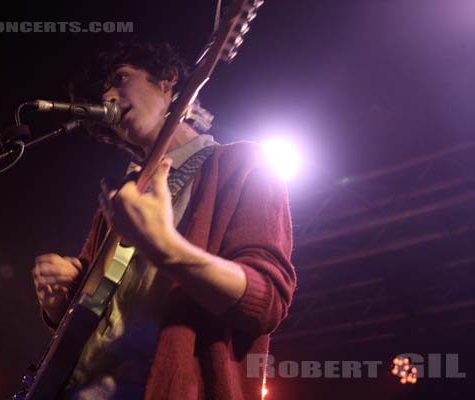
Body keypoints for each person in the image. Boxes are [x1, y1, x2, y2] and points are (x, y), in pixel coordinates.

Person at [31, 40, 297, 399]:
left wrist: (166, 248)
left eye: (120, 78)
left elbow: (267, 303)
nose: (107, 96)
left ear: (167, 81)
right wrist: (60, 299)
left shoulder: (245, 164)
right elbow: (95, 318)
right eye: (101, 91)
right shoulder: (120, 200)